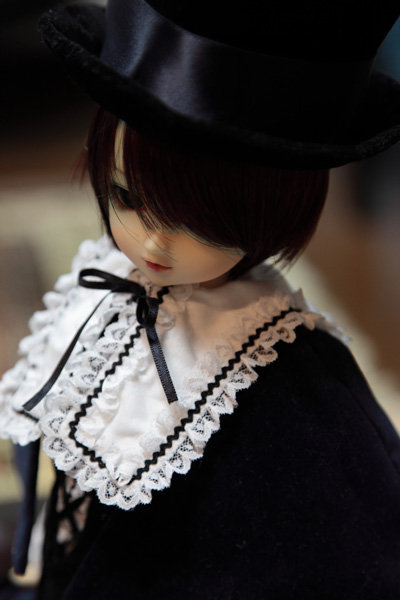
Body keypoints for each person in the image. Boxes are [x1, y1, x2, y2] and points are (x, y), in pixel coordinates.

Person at [1, 0, 400, 598]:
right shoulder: (106, 282)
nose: (153, 242)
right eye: (126, 195)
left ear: (275, 212)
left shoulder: (286, 381)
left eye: (204, 223)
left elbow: (349, 538)